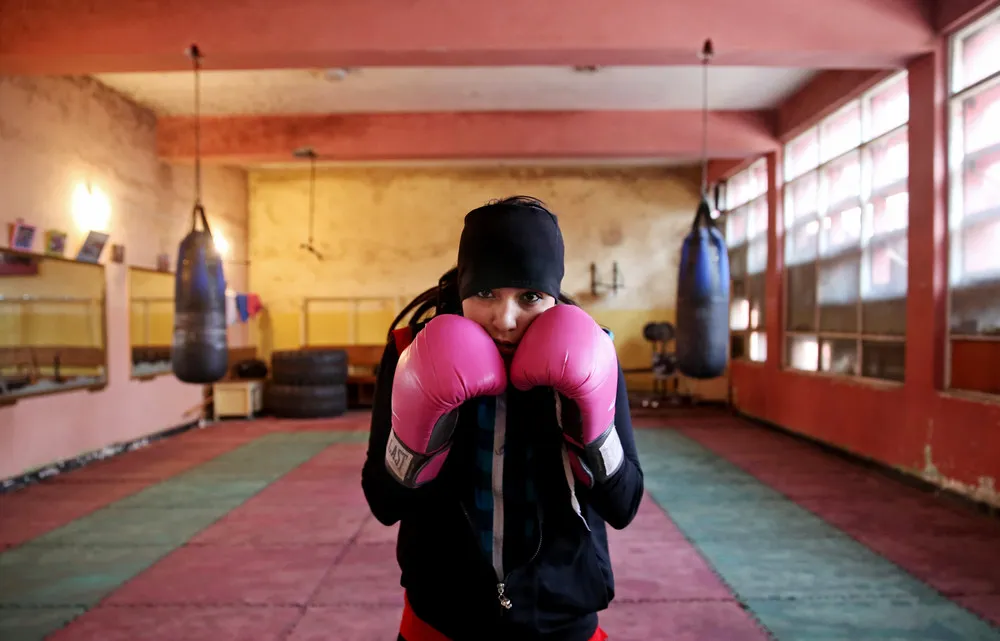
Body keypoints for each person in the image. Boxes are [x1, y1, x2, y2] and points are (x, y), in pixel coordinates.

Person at [361, 196, 645, 641]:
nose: (505, 319)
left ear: (553, 295)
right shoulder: (408, 353)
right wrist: (419, 440)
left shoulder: (594, 354)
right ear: (462, 289)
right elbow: (384, 503)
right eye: (486, 293)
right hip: (440, 618)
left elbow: (623, 506)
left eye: (529, 297)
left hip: (562, 619)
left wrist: (590, 429)